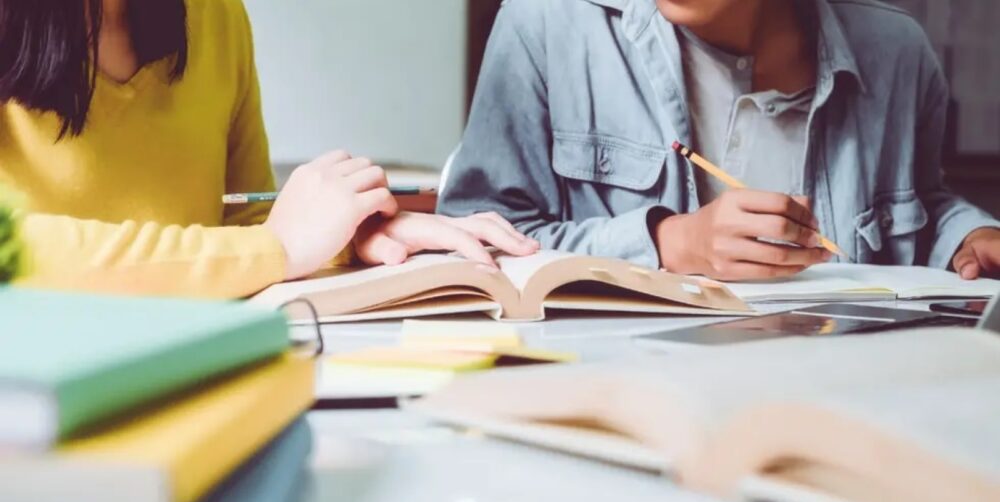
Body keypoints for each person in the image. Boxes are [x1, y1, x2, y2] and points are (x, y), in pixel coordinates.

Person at [0, 0, 537, 298]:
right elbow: (14, 255)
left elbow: (248, 225)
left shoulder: (216, 17)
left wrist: (353, 235)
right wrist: (275, 249)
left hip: (190, 376)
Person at [438, 0, 1000, 281]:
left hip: (844, 401)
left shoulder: (897, 51)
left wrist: (963, 235)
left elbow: (920, 202)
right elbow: (470, 243)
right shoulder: (545, 24)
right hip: (626, 399)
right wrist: (671, 245)